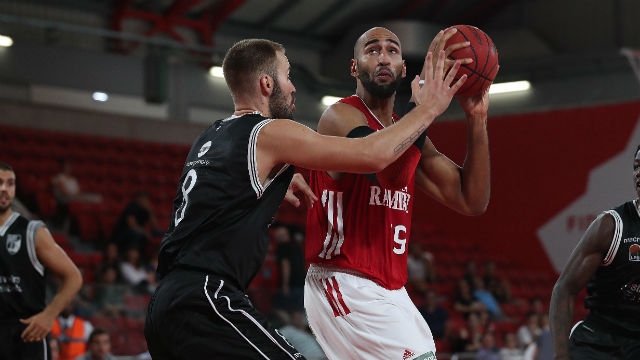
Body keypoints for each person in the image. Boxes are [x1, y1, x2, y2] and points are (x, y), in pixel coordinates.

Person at [144, 37, 465, 360]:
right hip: (206, 298)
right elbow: (373, 155)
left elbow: (218, 190)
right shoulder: (270, 131)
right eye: (287, 76)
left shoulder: (212, 136)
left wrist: (279, 181)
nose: (294, 87)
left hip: (164, 304)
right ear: (267, 84)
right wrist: (427, 109)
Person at [303, 26, 492, 359]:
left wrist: (476, 119)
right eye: (372, 50)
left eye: (392, 50)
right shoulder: (339, 116)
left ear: (404, 69)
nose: (383, 57)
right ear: (354, 67)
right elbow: (386, 171)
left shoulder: (405, 129)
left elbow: (471, 200)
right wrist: (425, 111)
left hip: (391, 288)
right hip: (343, 279)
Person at [550, 145, 640, 359]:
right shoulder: (611, 226)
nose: (639, 173)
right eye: (636, 167)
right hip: (599, 341)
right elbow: (563, 290)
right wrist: (561, 356)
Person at [0, 162, 83, 359]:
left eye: (10, 183)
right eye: (0, 183)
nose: (5, 189)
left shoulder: (32, 231)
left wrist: (49, 315)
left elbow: (74, 277)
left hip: (26, 332)